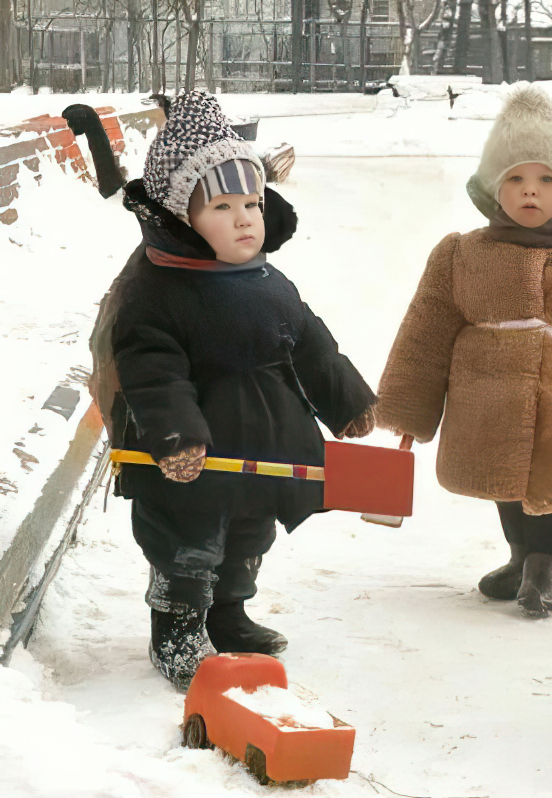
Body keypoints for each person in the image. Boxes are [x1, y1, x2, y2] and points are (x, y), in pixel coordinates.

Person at [89, 91, 377, 691]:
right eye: (222, 206)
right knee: (187, 543)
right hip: (190, 459)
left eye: (252, 202)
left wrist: (346, 402)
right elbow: (151, 367)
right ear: (181, 216)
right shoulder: (157, 288)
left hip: (261, 451)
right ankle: (176, 628)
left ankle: (228, 612)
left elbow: (309, 342)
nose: (246, 219)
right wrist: (175, 434)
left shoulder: (266, 277)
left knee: (249, 535)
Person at [374, 85, 552, 618]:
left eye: (547, 179)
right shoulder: (462, 255)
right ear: (492, 188)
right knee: (505, 482)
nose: (531, 191)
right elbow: (426, 334)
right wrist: (409, 406)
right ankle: (521, 554)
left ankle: (550, 564)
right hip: (487, 405)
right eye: (516, 179)